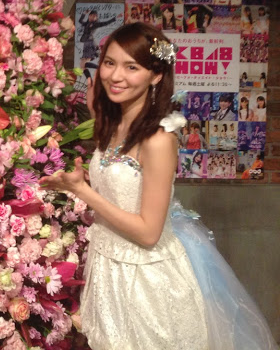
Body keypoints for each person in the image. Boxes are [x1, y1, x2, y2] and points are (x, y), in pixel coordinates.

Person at [39, 22, 277, 350]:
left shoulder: (158, 139)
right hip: (108, 267)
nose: (115, 75)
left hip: (147, 281)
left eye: (131, 67)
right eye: (110, 63)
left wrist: (83, 192)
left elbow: (149, 232)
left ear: (156, 75)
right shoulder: (112, 125)